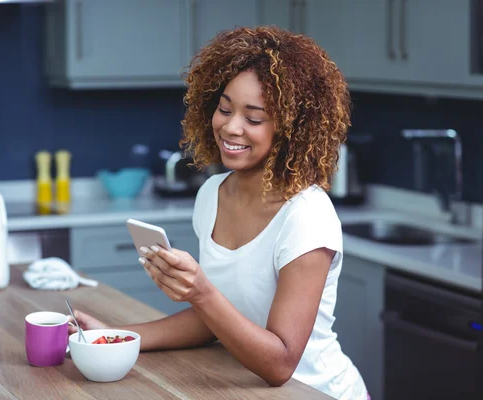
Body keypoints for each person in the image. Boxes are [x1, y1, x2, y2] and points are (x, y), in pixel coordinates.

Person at [68, 26, 369, 400]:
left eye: (254, 118)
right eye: (225, 108)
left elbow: (280, 363)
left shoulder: (306, 217)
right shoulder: (211, 194)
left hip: (316, 391)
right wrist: (117, 337)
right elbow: (214, 320)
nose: (230, 126)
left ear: (291, 129)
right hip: (244, 387)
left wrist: (201, 292)